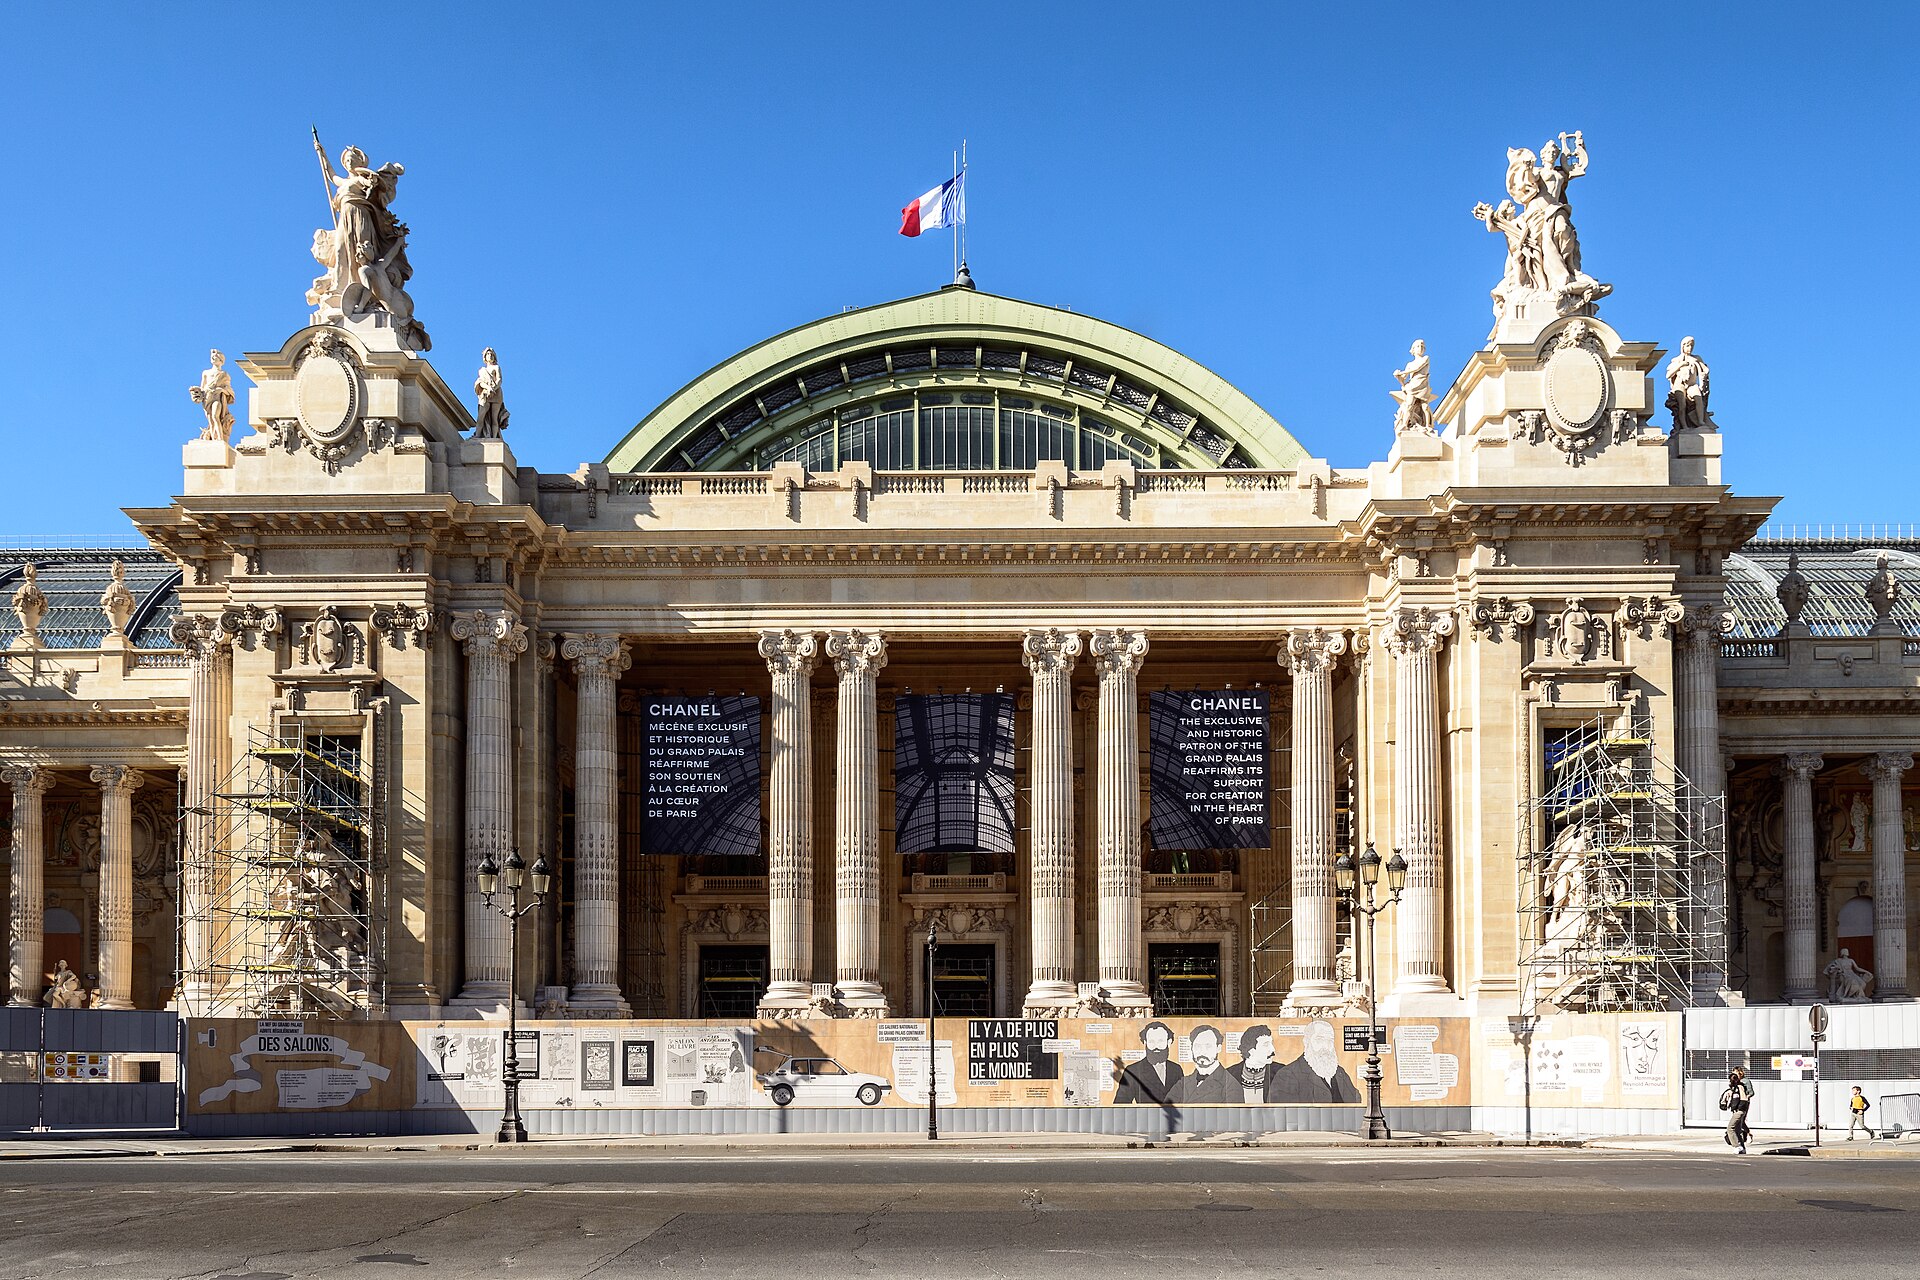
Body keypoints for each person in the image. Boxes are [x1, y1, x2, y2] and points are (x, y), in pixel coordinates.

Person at [1274, 1019, 1361, 1103]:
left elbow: (1356, 1100)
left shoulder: (1340, 1072)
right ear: (1306, 1042)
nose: (1326, 1046)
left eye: (1330, 1041)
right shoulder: (1287, 1075)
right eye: (1320, 1039)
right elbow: (1284, 1113)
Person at [1114, 1020, 1185, 1104]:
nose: (1156, 1046)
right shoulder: (1133, 1071)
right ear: (1145, 1042)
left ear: (1168, 1042)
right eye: (1151, 1042)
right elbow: (1120, 1104)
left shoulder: (1176, 1069)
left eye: (1160, 1041)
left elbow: (1183, 1100)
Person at [1168, 1025, 1238, 1105]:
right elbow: (1166, 1112)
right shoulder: (1183, 1083)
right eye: (1197, 1046)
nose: (1202, 1052)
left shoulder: (1231, 1085)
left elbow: (1233, 1116)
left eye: (1208, 1046)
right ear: (1192, 1048)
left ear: (1218, 1048)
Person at [1722, 1067, 1754, 1154]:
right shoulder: (1736, 1086)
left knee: (1731, 1128)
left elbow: (1749, 1094)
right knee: (1738, 1128)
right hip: (1738, 1108)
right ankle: (1742, 1147)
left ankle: (1738, 1145)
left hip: (1741, 1107)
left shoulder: (1742, 1084)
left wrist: (1742, 1104)